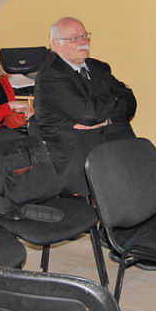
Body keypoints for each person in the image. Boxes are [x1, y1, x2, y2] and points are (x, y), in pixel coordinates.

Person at [33, 17, 137, 195]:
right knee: (135, 186)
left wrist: (108, 120)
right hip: (78, 153)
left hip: (114, 140)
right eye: (74, 38)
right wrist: (116, 100)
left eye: (84, 36)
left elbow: (130, 101)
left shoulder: (98, 67)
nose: (83, 42)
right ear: (57, 45)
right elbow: (89, 114)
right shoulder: (50, 76)